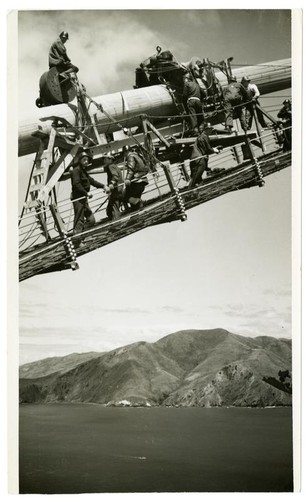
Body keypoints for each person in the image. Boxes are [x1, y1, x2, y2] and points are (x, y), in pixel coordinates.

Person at [71, 151, 105, 238]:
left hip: (83, 199)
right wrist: (86, 193)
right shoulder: (76, 170)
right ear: (80, 160)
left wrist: (103, 186)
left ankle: (80, 236)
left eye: (87, 160)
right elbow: (76, 184)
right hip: (78, 199)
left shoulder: (83, 171)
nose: (86, 161)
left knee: (91, 220)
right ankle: (77, 240)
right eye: (84, 160)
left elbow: (92, 181)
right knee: (79, 219)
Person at [188, 123, 221, 188]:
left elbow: (204, 149)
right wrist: (214, 150)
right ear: (206, 129)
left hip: (194, 160)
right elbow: (207, 149)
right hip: (199, 160)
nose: (211, 131)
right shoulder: (204, 136)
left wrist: (213, 149)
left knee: (197, 180)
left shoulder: (200, 137)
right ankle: (189, 192)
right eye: (210, 129)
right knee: (194, 180)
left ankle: (195, 191)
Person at [123, 146, 149, 211]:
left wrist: (128, 179)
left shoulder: (130, 156)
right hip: (142, 181)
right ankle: (139, 205)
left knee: (123, 197)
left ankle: (139, 202)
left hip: (136, 182)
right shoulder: (138, 155)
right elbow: (146, 168)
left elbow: (131, 169)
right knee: (135, 204)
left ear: (125, 152)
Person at [103, 153, 124, 221]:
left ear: (110, 159)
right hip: (120, 190)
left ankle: (117, 225)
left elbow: (115, 177)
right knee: (110, 210)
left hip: (116, 192)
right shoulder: (115, 166)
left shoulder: (111, 166)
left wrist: (111, 185)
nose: (104, 161)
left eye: (105, 159)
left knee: (114, 210)